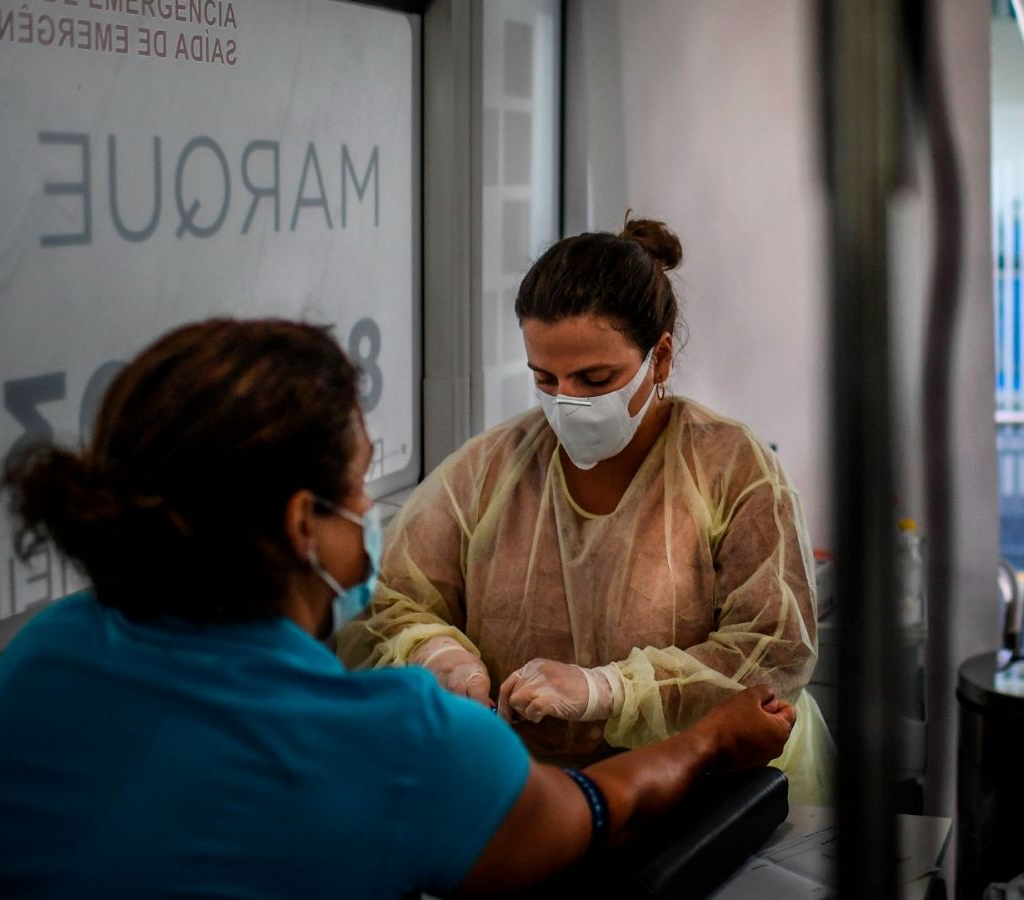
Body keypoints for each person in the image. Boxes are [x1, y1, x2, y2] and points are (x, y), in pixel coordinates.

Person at [0, 319, 795, 898]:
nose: (370, 510)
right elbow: (592, 813)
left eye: (595, 378)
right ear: (301, 524)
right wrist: (711, 736)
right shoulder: (394, 742)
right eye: (361, 482)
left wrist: (606, 688)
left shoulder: (42, 656)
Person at [340, 218, 832, 804]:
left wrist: (609, 691)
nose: (567, 403)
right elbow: (390, 605)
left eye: (596, 379)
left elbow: (772, 657)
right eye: (545, 379)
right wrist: (437, 655)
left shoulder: (731, 469)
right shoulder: (491, 470)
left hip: (715, 795)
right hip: (534, 795)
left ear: (662, 358)